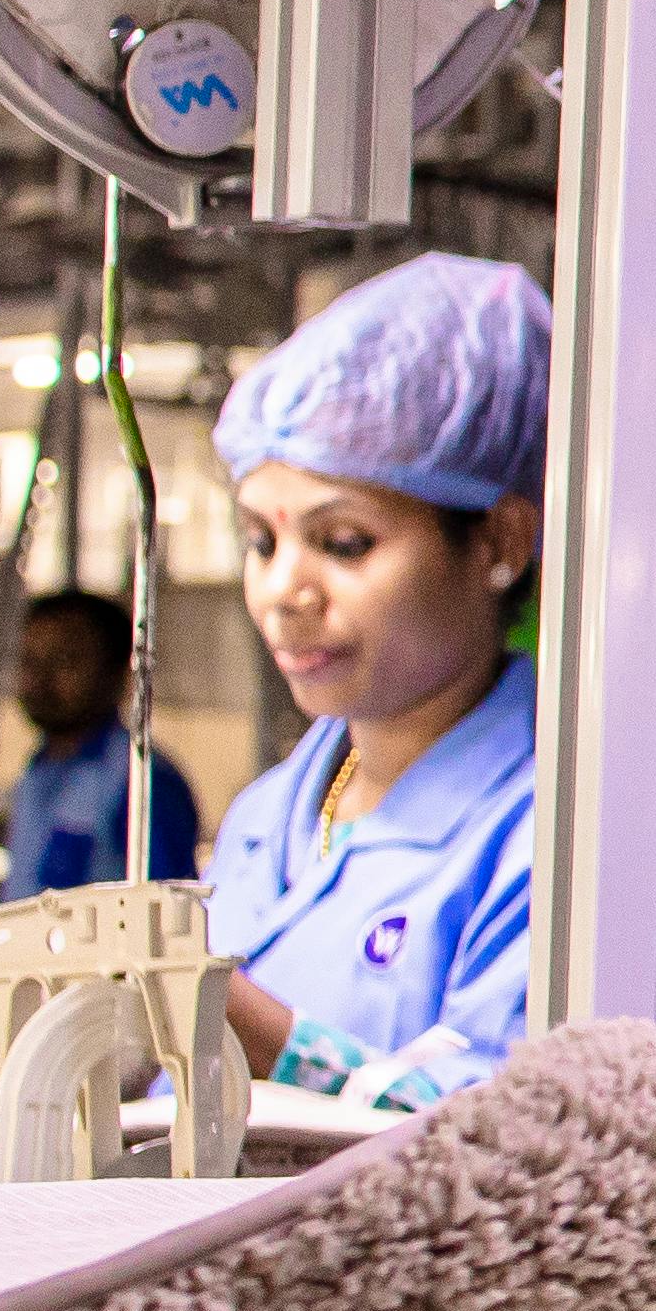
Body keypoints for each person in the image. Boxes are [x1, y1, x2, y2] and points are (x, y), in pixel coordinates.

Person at [201, 255, 549, 1112]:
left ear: (500, 541)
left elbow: (518, 1149)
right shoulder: (265, 818)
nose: (285, 591)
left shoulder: (555, 832)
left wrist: (253, 1037)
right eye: (262, 542)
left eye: (345, 542)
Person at [0, 587, 202, 897]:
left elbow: (169, 914)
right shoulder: (35, 773)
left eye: (64, 661)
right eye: (30, 661)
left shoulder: (141, 781)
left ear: (116, 673)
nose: (40, 678)